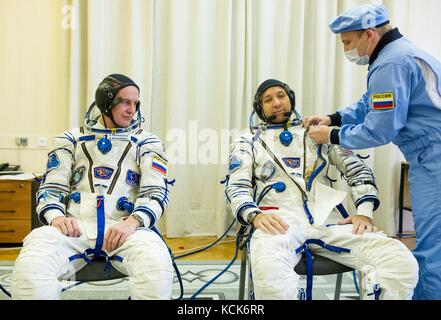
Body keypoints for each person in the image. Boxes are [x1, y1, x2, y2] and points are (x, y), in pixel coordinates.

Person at [225, 79, 418, 300]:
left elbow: (359, 171)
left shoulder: (318, 134)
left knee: (399, 260)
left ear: (291, 98)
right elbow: (236, 186)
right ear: (259, 108)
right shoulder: (247, 142)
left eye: (281, 96)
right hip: (277, 224)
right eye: (268, 100)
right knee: (270, 277)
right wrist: (254, 216)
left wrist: (364, 213)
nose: (276, 103)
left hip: (329, 222)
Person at [304, 4, 441, 300]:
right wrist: (333, 118)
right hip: (429, 154)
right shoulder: (400, 53)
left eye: (348, 43)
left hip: (434, 157)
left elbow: (381, 128)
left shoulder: (390, 64)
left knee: (434, 246)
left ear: (369, 34)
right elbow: (370, 102)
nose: (347, 51)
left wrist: (332, 135)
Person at [11, 74, 174, 299]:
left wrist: (134, 221)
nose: (131, 109)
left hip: (124, 229)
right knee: (31, 267)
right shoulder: (70, 140)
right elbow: (51, 189)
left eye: (135, 103)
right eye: (125, 102)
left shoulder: (146, 142)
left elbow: (156, 191)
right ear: (106, 103)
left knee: (156, 268)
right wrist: (57, 218)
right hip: (74, 228)